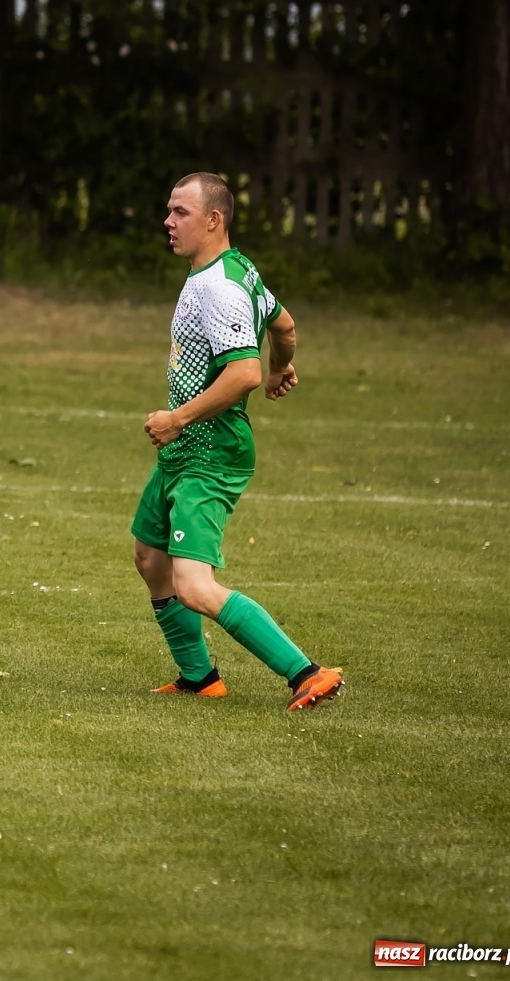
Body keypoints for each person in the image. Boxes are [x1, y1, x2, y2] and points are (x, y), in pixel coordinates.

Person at [130, 172, 343, 711]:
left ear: (212, 219)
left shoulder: (219, 287)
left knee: (195, 587)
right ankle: (199, 677)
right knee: (150, 558)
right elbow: (285, 324)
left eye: (180, 212)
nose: (168, 221)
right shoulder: (235, 270)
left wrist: (178, 418)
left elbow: (244, 373)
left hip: (210, 448)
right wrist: (285, 366)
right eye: (169, 210)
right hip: (187, 448)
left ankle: (308, 672)